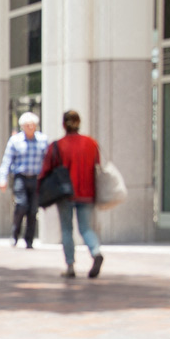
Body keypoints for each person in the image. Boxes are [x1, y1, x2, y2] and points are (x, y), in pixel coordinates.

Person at [39, 109, 103, 278]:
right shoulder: (91, 144)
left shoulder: (57, 145)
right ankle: (96, 252)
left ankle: (70, 267)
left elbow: (46, 169)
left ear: (63, 124)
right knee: (86, 228)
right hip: (87, 193)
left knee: (67, 230)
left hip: (65, 193)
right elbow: (97, 166)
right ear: (79, 123)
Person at [0, 111, 47, 248]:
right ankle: (15, 233)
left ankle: (29, 240)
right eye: (27, 125)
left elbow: (47, 161)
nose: (30, 127)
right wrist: (2, 178)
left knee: (33, 210)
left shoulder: (43, 140)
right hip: (20, 178)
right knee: (21, 205)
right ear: (22, 126)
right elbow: (7, 161)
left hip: (36, 179)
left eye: (33, 125)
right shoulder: (15, 141)